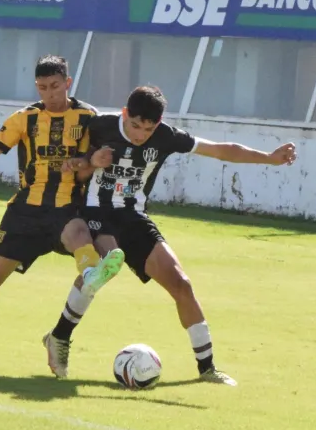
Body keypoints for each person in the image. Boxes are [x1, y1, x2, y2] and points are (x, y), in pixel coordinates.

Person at [41, 85, 297, 384]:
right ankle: (60, 336)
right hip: (97, 211)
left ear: (158, 125)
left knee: (182, 284)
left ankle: (207, 368)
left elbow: (218, 150)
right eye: (135, 126)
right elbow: (75, 166)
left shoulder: (167, 137)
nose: (140, 134)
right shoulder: (100, 125)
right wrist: (89, 162)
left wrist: (269, 158)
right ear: (124, 114)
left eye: (148, 129)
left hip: (134, 217)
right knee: (107, 264)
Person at [0, 55, 125, 359]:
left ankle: (91, 272)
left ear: (68, 83)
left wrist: (87, 162)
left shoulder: (89, 116)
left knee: (78, 233)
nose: (49, 94)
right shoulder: (24, 118)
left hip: (67, 207)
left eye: (54, 86)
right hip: (25, 212)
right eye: (42, 88)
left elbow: (98, 161)